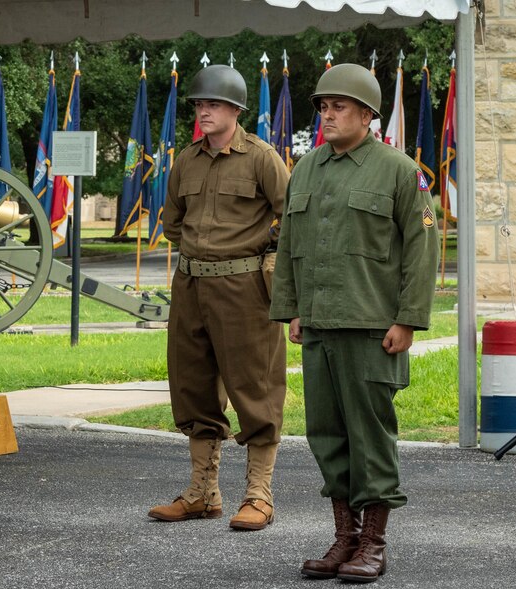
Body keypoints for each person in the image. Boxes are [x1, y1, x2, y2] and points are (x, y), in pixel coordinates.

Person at [270, 63, 439, 581]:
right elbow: (290, 245)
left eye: (339, 106)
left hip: (372, 328)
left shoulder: (397, 169)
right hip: (319, 325)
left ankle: (374, 542)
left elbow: (423, 245)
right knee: (326, 435)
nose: (328, 115)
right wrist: (293, 309)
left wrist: (409, 319)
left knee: (370, 437)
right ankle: (344, 537)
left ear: (367, 114)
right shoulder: (307, 168)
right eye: (323, 107)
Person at [148, 65, 289, 531]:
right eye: (199, 105)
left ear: (235, 110)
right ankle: (202, 492)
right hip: (190, 286)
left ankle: (259, 495)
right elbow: (172, 223)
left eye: (212, 104)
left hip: (244, 290)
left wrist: (268, 262)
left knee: (255, 389)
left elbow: (292, 217)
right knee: (193, 387)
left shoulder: (261, 157)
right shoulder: (186, 159)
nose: (203, 111)